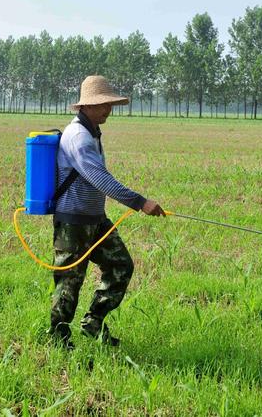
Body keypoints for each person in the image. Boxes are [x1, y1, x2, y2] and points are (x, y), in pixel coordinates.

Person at [48, 75, 165, 349]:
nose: (108, 109)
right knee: (70, 281)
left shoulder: (92, 133)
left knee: (121, 265)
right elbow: (99, 178)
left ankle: (93, 322)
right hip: (73, 222)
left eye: (110, 104)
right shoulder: (78, 137)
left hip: (96, 220)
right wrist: (140, 202)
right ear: (86, 106)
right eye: (102, 105)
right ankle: (58, 339)